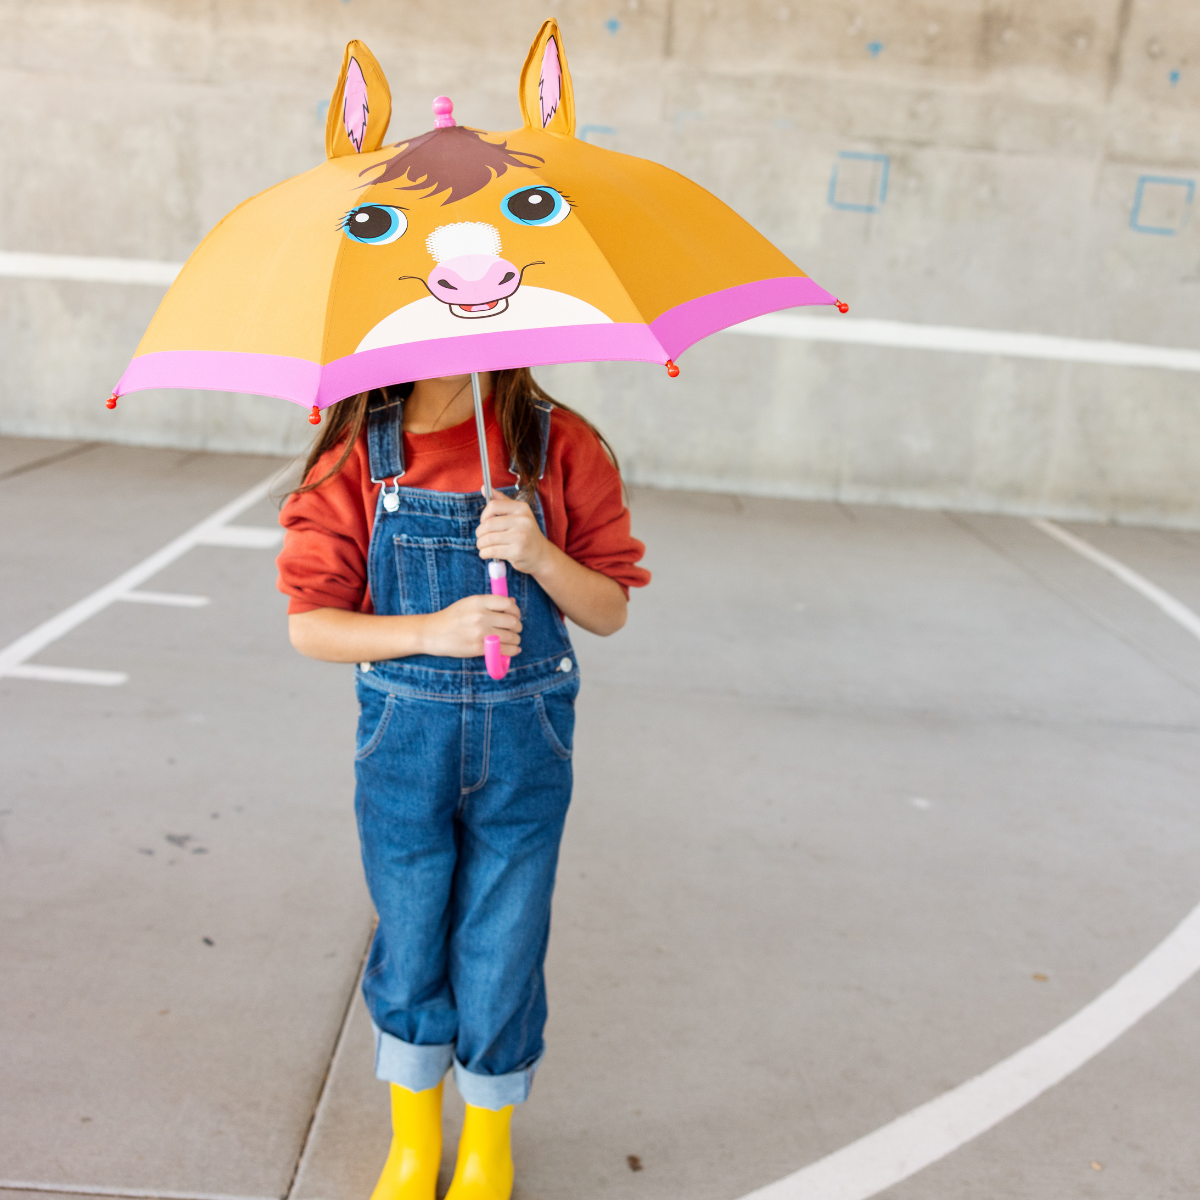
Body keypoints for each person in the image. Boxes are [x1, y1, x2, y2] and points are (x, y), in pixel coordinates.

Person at [276, 368, 649, 1200]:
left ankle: (486, 1139)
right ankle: (414, 1143)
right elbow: (310, 626)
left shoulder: (561, 445)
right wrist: (434, 631)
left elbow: (609, 608)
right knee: (408, 932)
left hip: (528, 741)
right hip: (405, 745)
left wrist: (539, 554)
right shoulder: (357, 456)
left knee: (505, 937)